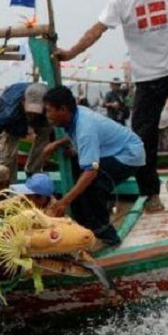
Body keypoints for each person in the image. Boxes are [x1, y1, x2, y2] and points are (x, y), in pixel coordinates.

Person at [54, 0, 168, 212]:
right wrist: (71, 53)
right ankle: (151, 194)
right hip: (147, 78)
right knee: (143, 140)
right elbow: (97, 30)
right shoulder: (121, 0)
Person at [41, 86, 145, 247]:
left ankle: (107, 236)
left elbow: (90, 172)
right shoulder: (77, 112)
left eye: (49, 111)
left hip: (129, 155)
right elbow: (77, 135)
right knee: (78, 176)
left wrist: (64, 201)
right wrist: (58, 143)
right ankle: (84, 227)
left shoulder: (85, 128)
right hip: (113, 149)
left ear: (63, 109)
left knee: (93, 186)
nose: (47, 116)